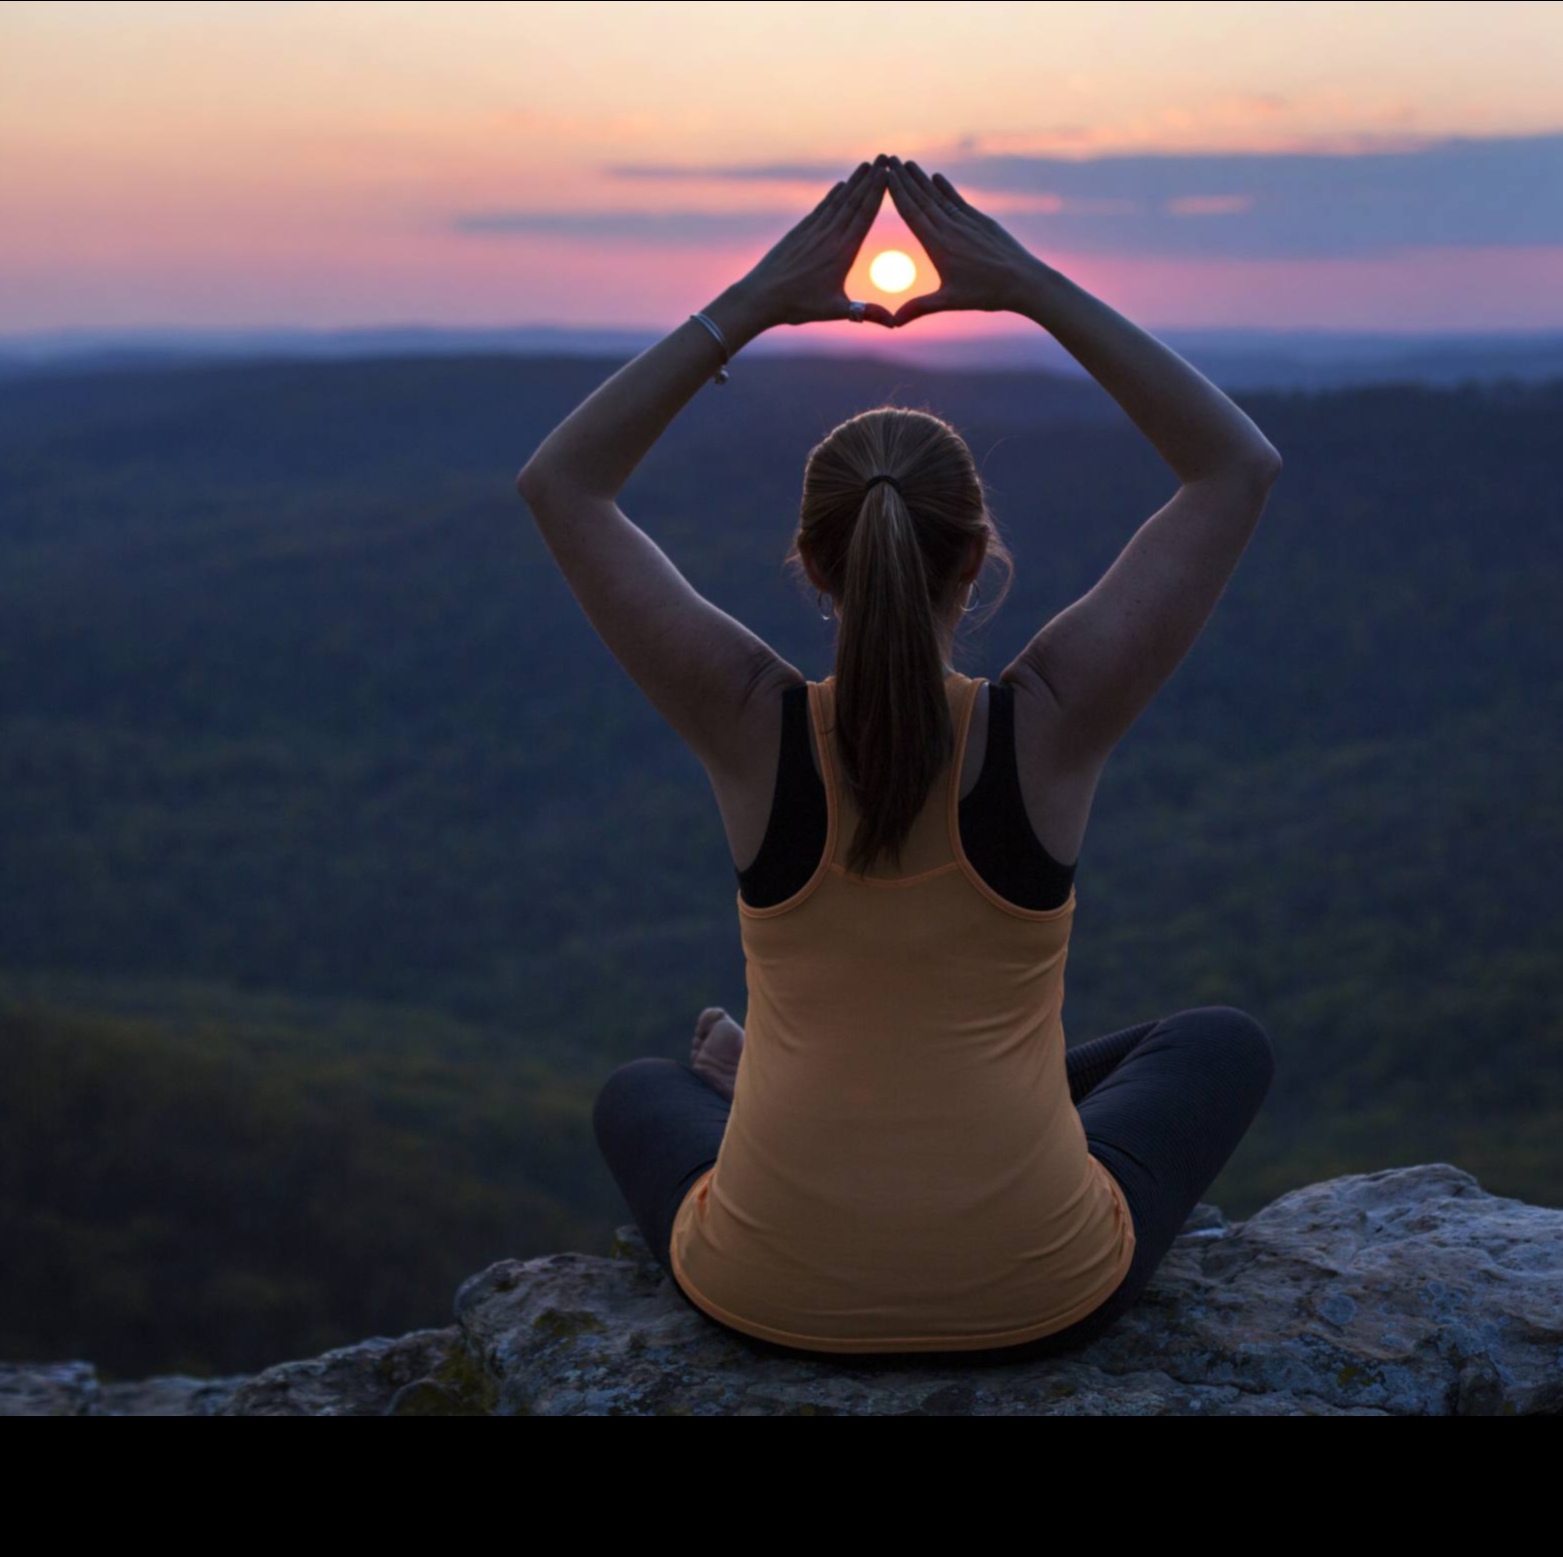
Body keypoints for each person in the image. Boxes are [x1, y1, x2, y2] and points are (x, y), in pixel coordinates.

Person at [517, 156, 1282, 1359]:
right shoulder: (1049, 718)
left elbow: (561, 484)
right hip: (1037, 1285)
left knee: (634, 1090)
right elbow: (1234, 465)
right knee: (1216, 1042)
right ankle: (807, 1079)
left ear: (812, 565)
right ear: (977, 558)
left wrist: (757, 299)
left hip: (768, 1288)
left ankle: (757, 1073)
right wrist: (1023, 283)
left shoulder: (746, 721)